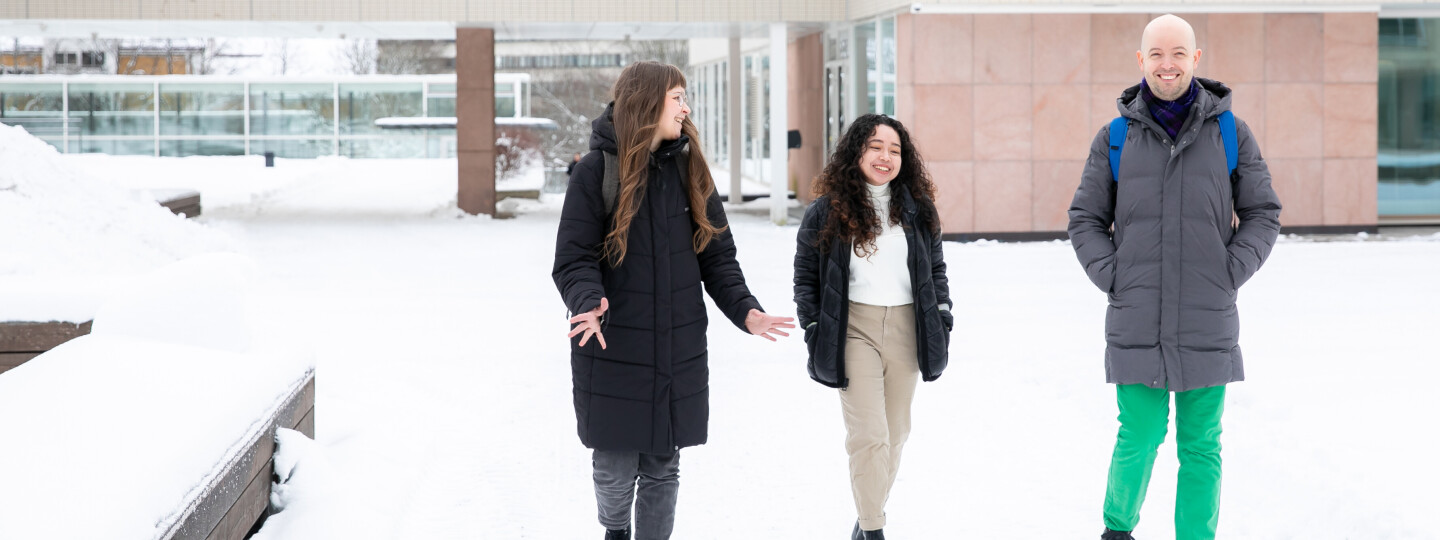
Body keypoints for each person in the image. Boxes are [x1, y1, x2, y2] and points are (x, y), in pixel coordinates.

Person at [552, 61, 794, 540]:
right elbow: (573, 258)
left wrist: (746, 310)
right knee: (615, 465)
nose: (686, 107)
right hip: (611, 342)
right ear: (647, 102)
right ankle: (616, 530)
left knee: (664, 464)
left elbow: (718, 257)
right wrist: (588, 299)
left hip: (676, 345)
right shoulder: (596, 171)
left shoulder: (691, 168)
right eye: (677, 97)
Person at [1068, 14, 1282, 540]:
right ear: (1141, 61)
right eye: (1157, 54)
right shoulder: (1115, 137)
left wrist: (1230, 270)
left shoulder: (1230, 132)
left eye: (1178, 53)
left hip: (1206, 316)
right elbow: (1085, 219)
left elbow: (1263, 212)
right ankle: (1117, 530)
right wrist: (1113, 276)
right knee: (1138, 436)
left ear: (1196, 59)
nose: (1168, 64)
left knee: (1201, 444)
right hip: (1136, 315)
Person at [793, 113, 953, 540]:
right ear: (856, 151)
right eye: (875, 147)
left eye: (895, 149)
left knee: (896, 434)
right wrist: (813, 325)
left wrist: (943, 314)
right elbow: (805, 277)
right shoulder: (826, 211)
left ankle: (866, 519)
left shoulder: (918, 210)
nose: (885, 157)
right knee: (869, 435)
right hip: (853, 328)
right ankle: (873, 528)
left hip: (907, 327)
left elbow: (936, 269)